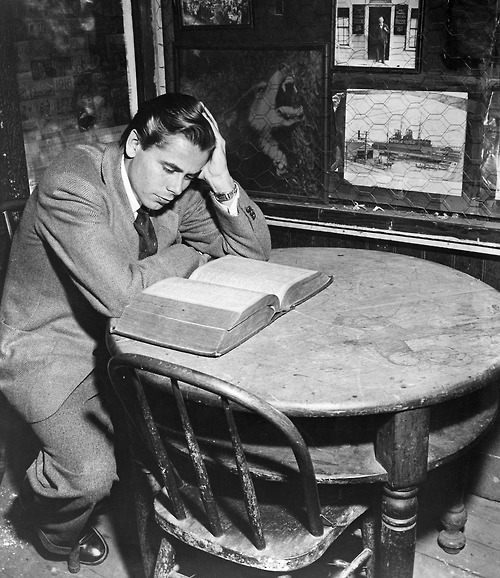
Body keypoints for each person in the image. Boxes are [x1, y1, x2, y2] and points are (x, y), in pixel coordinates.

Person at [0, 93, 271, 565]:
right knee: (89, 474)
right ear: (133, 145)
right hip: (51, 350)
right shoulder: (72, 183)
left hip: (131, 342)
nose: (176, 188)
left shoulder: (177, 190)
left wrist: (221, 182)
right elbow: (122, 295)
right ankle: (46, 526)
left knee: (200, 440)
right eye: (169, 169)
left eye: (189, 175)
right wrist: (191, 254)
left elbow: (253, 254)